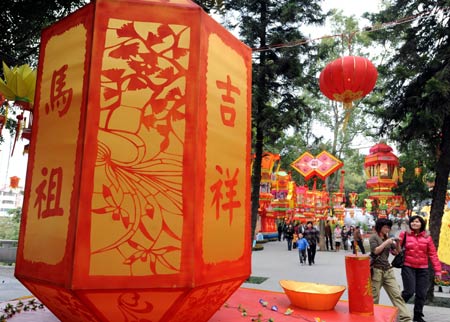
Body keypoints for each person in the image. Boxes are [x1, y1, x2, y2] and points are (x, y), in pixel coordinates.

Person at [400, 215, 442, 322]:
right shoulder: (404, 235)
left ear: (422, 224)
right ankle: (397, 308)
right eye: (413, 221)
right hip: (408, 267)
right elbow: (396, 250)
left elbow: (433, 254)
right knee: (409, 291)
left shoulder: (427, 237)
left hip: (423, 269)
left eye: (417, 222)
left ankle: (418, 316)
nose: (414, 223)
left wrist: (438, 270)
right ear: (410, 223)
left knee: (421, 293)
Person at [369, 218, 412, 322]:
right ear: (380, 227)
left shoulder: (387, 237)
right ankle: (371, 318)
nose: (387, 229)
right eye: (385, 227)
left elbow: (397, 252)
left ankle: (405, 318)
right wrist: (386, 242)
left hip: (388, 270)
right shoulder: (373, 237)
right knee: (374, 298)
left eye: (388, 227)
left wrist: (397, 243)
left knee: (397, 295)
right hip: (376, 271)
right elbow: (375, 251)